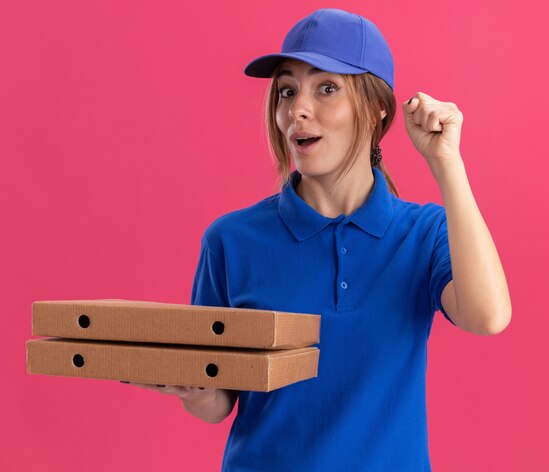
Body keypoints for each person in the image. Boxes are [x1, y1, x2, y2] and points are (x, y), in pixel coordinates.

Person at [129, 8, 511, 471]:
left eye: (326, 88)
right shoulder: (230, 240)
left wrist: (446, 162)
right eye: (287, 91)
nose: (296, 109)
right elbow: (219, 400)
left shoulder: (423, 234)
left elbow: (488, 316)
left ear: (375, 109)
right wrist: (196, 389)